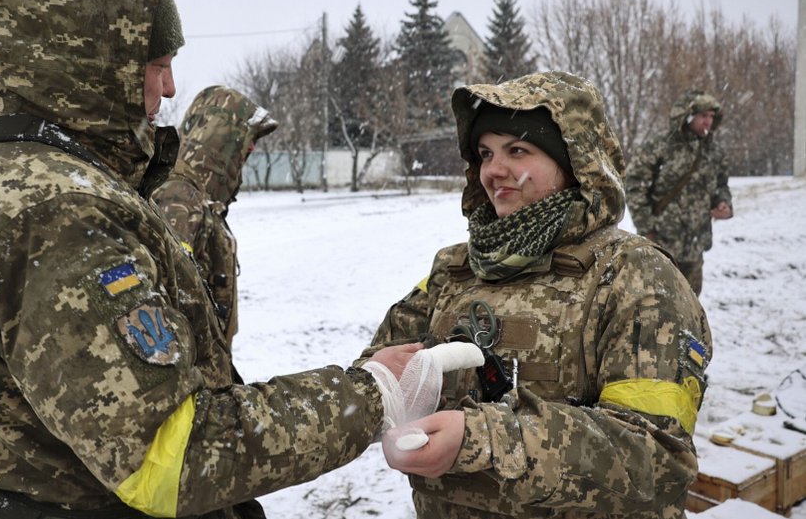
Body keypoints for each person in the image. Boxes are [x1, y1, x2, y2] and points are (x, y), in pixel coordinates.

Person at [0, 0, 431, 519]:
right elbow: (172, 457)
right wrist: (368, 392)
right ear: (86, 68)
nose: (168, 88)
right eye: (157, 65)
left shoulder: (17, 174)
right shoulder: (56, 209)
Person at [364, 71, 712, 518]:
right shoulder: (454, 269)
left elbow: (656, 457)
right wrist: (392, 396)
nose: (494, 170)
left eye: (518, 150)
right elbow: (378, 369)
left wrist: (483, 439)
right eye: (486, 153)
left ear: (573, 163)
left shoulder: (637, 277)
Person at [154, 86, 278, 350]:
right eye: (246, 137)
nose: (252, 147)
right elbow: (170, 306)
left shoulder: (200, 196)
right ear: (219, 135)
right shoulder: (178, 197)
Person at [625, 89, 733, 295]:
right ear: (688, 116)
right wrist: (646, 227)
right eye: (703, 116)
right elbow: (634, 184)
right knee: (655, 307)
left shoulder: (713, 151)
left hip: (695, 247)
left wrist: (723, 204)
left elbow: (721, 185)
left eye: (711, 116)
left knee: (690, 308)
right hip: (661, 243)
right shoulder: (660, 146)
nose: (708, 122)